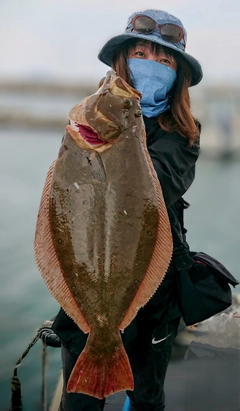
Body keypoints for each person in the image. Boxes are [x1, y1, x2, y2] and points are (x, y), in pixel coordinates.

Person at [51, 8, 203, 411]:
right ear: (123, 61)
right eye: (142, 54)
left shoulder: (184, 134)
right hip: (89, 279)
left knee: (147, 397)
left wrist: (122, 131)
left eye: (165, 60)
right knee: (79, 400)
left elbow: (158, 185)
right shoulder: (92, 124)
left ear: (179, 75)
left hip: (153, 292)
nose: (152, 65)